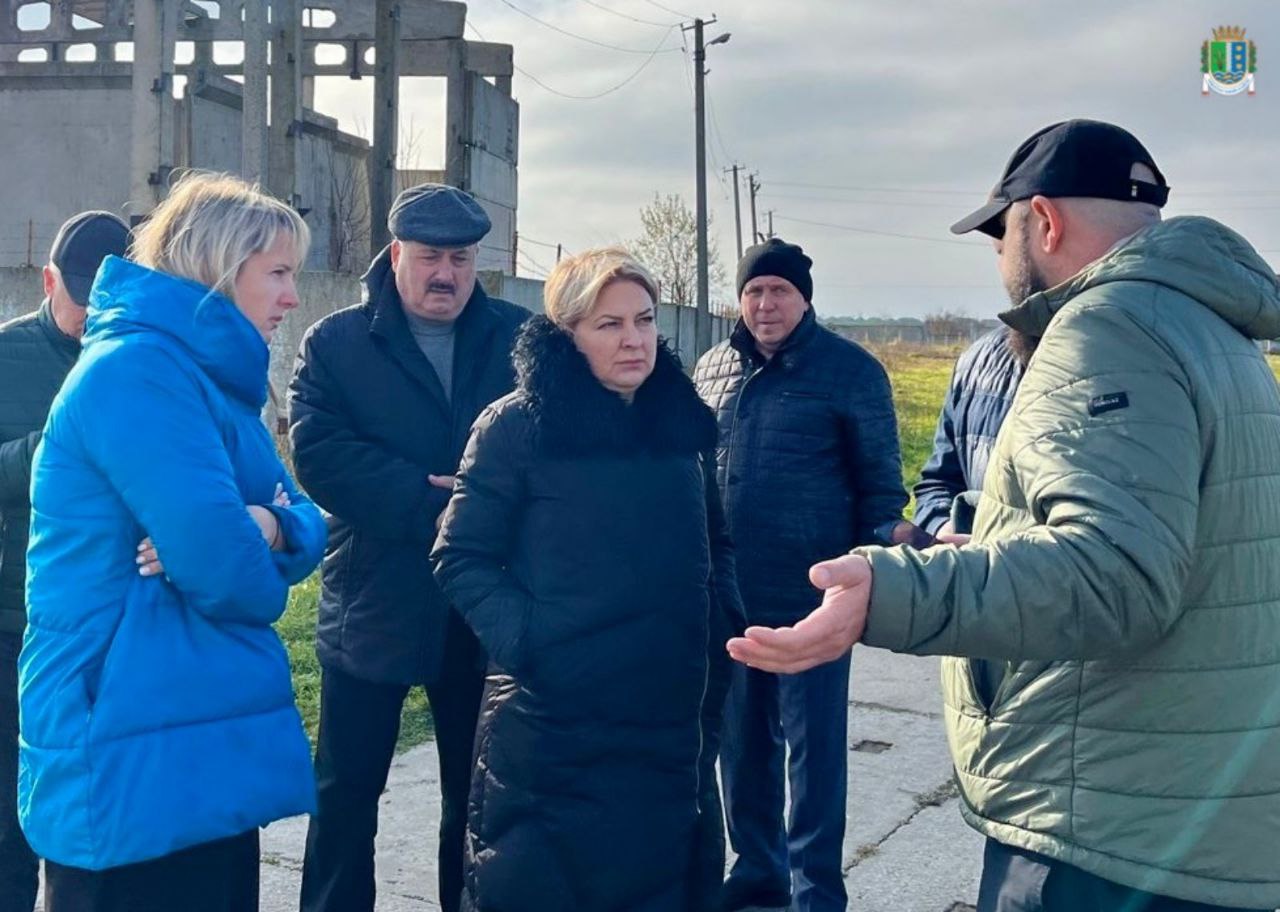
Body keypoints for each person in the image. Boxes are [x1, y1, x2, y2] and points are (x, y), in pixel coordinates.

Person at [729, 119, 1280, 912]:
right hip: (1192, 810)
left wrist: (891, 591)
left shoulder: (1105, 326)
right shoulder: (1214, 331)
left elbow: (1113, 575)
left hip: (1106, 825)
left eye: (1002, 237)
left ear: (1045, 221)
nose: (999, 260)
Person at [19, 172, 327, 912]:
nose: (292, 296)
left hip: (189, 741)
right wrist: (249, 536)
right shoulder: (139, 373)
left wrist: (269, 523)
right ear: (220, 265)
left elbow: (307, 518)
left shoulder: (206, 379)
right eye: (278, 273)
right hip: (129, 742)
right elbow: (236, 580)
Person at [431, 247, 745, 912]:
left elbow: (718, 539)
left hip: (668, 715)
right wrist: (535, 644)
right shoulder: (516, 425)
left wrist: (722, 625)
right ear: (568, 332)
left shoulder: (681, 426)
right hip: (554, 725)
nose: (634, 340)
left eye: (644, 320)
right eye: (609, 324)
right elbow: (461, 555)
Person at [289, 183, 528, 912]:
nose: (445, 273)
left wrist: (474, 507)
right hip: (373, 602)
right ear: (395, 255)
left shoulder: (519, 339)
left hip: (479, 607)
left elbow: (547, 447)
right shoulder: (336, 342)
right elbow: (319, 454)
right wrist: (441, 501)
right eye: (429, 256)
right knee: (345, 795)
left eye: (459, 257)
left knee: (475, 799)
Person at [692, 238, 907, 912]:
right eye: (753, 291)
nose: (764, 304)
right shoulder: (712, 368)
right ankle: (758, 876)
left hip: (811, 603)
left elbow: (880, 492)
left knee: (812, 761)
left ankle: (816, 893)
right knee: (742, 752)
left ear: (805, 297)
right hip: (732, 598)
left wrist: (871, 577)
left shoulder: (851, 373)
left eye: (778, 291)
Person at [0, 210, 129, 912]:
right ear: (49, 280)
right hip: (13, 621)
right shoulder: (7, 356)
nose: (92, 313)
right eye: (80, 296)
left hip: (113, 627)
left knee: (91, 820)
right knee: (11, 817)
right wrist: (57, 449)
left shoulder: (138, 359)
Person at [911, 325, 1023, 539]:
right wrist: (943, 527)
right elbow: (939, 481)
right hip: (983, 568)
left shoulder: (1105, 354)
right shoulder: (977, 361)